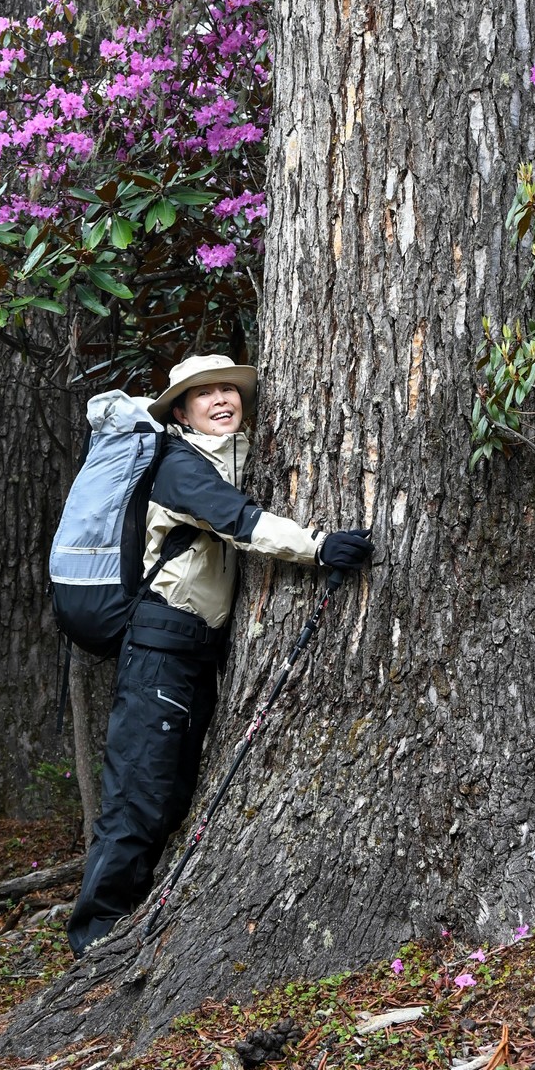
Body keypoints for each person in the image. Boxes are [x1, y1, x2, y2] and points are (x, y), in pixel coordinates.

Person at [66, 353, 374, 956]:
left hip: (191, 650)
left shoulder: (223, 461)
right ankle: (96, 934)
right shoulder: (179, 467)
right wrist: (318, 546)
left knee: (176, 789)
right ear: (181, 411)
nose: (221, 399)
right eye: (203, 393)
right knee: (140, 788)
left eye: (228, 388)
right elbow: (237, 521)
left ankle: (135, 913)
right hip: (160, 646)